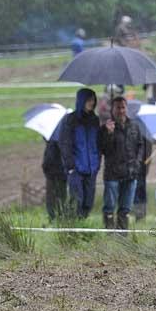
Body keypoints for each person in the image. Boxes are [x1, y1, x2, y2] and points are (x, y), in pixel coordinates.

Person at [99, 96, 145, 230]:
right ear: (112, 110)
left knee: (125, 208)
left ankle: (122, 237)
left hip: (130, 173)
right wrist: (109, 134)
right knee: (109, 207)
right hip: (112, 174)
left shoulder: (134, 126)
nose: (120, 110)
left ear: (126, 108)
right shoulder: (105, 128)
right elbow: (103, 150)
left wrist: (137, 163)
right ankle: (109, 234)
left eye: (123, 107)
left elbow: (140, 145)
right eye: (117, 107)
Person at [58, 88, 101, 219]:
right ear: (81, 101)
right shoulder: (70, 120)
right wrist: (70, 166)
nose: (91, 103)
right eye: (88, 100)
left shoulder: (95, 120)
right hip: (76, 169)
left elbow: (99, 144)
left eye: (93, 100)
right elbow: (64, 144)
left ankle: (81, 226)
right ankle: (71, 229)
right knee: (77, 201)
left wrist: (97, 163)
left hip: (91, 169)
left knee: (88, 202)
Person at [42, 134, 67, 221]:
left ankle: (59, 216)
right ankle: (53, 217)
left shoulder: (61, 136)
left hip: (59, 171)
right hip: (53, 172)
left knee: (59, 196)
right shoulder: (50, 137)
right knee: (53, 196)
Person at [132, 134, 154, 221]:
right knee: (138, 191)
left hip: (142, 167)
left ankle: (140, 215)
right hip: (137, 165)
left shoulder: (146, 133)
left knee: (140, 191)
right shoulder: (139, 130)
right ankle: (139, 215)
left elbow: (148, 151)